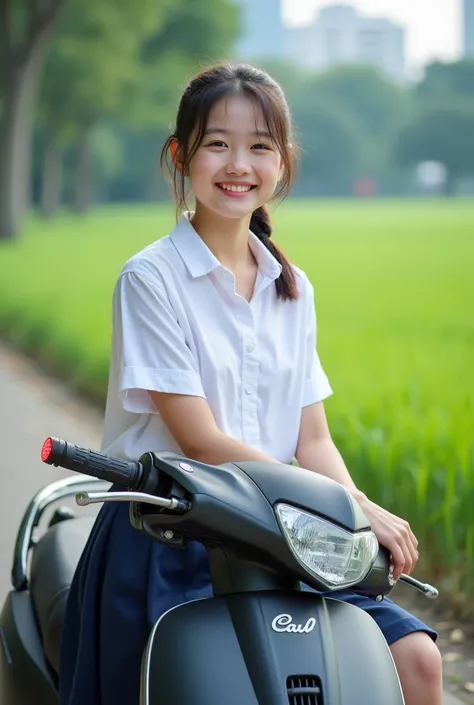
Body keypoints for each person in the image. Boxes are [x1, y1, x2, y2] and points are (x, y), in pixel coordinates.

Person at [59, 63, 442, 705]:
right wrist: (349, 513)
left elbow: (312, 439)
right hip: (168, 536)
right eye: (218, 143)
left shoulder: (293, 288)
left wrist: (350, 511)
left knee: (418, 659)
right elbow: (201, 442)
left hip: (280, 534)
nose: (239, 164)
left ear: (283, 163)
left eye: (260, 146)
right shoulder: (150, 279)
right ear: (181, 155)